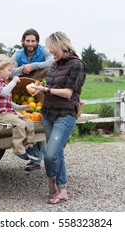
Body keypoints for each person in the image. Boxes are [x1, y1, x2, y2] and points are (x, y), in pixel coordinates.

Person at [30, 31, 86, 204]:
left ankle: (51, 180)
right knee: (57, 152)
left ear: (62, 45)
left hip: (65, 114)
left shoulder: (77, 65)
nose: (51, 53)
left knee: (50, 153)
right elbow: (51, 85)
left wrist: (45, 90)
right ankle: (62, 190)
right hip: (47, 113)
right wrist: (39, 87)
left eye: (53, 50)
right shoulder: (54, 65)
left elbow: (68, 93)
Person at [11, 28, 54, 171]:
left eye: (33, 41)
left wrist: (33, 66)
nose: (30, 43)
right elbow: (9, 70)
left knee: (40, 125)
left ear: (37, 42)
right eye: (27, 41)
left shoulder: (44, 51)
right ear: (23, 41)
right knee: (30, 124)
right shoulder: (17, 54)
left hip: (40, 89)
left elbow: (51, 63)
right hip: (23, 91)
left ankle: (40, 159)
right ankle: (36, 158)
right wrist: (24, 68)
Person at [0, 54, 39, 161]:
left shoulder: (4, 83)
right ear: (0, 69)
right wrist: (14, 82)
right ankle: (18, 150)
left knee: (29, 122)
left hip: (10, 112)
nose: (11, 73)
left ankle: (28, 146)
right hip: (1, 115)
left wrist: (21, 108)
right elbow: (4, 93)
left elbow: (8, 102)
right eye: (9, 70)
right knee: (20, 124)